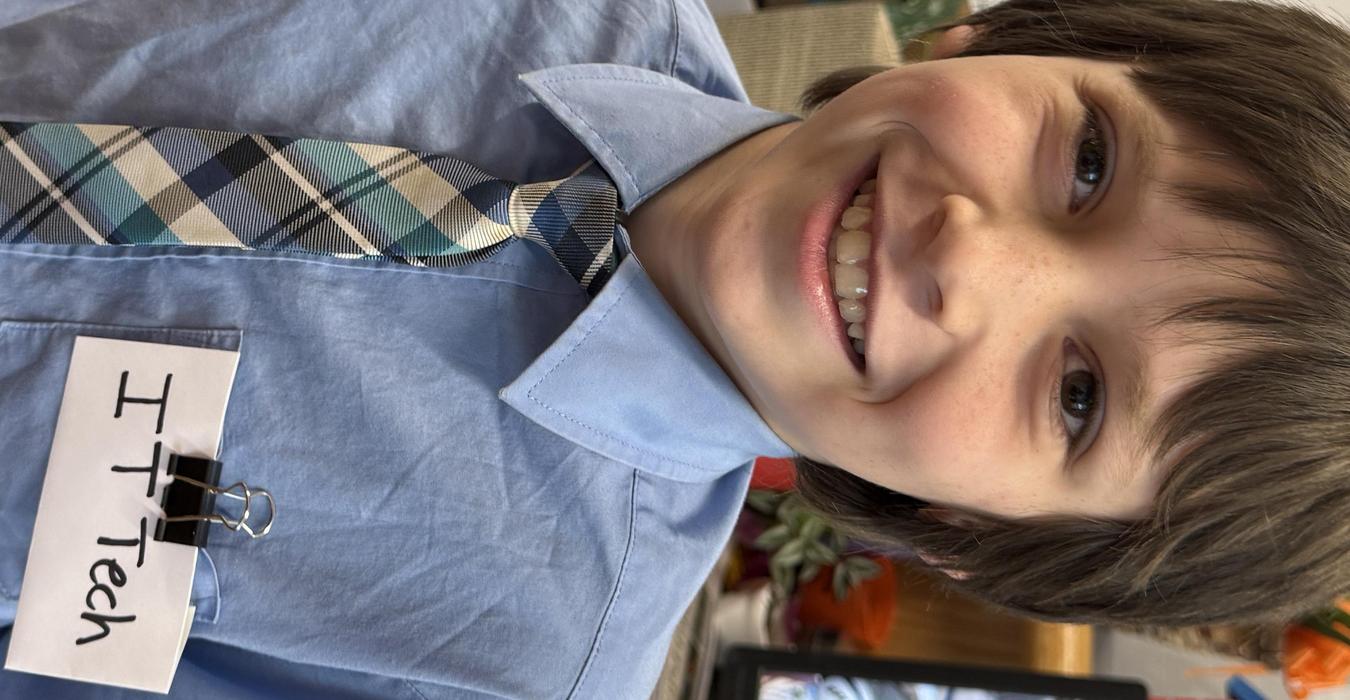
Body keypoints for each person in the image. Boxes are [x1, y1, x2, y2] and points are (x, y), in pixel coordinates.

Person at [0, 0, 1345, 697]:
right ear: (995, 37)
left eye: (1072, 395)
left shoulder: (521, 654)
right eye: (1090, 158)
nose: (968, 258)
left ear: (969, 534)